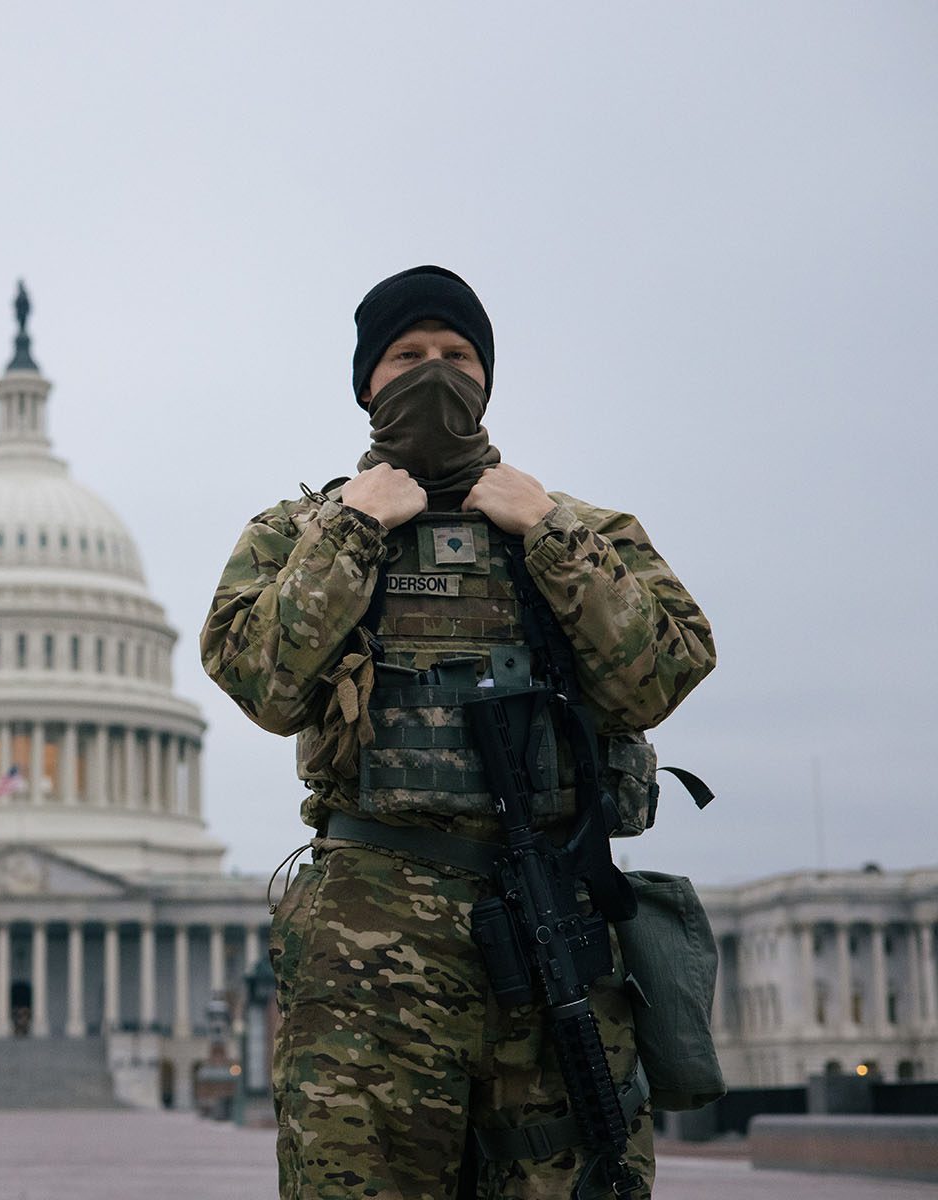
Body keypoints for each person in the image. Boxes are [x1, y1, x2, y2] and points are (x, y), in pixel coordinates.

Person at [200, 267, 715, 1199]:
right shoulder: (299, 532)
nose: (434, 373)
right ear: (367, 382)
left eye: (457, 356)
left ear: (488, 381)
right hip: (372, 935)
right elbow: (257, 682)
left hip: (553, 917)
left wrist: (549, 532)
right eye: (407, 356)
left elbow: (664, 675)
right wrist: (354, 532)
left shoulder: (583, 528)